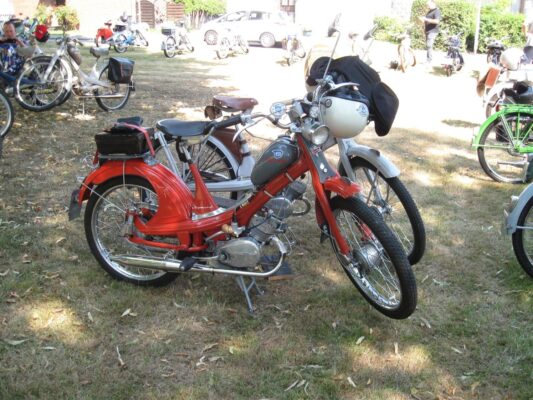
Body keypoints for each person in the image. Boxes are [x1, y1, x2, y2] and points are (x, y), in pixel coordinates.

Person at [418, 0, 441, 65]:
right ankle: (428, 60)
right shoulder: (429, 11)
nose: (428, 6)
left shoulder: (437, 11)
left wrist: (426, 19)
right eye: (427, 5)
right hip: (428, 30)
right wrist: (422, 20)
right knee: (428, 46)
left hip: (433, 31)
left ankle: (429, 60)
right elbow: (426, 21)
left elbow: (437, 21)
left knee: (429, 45)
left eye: (429, 4)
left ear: (433, 4)